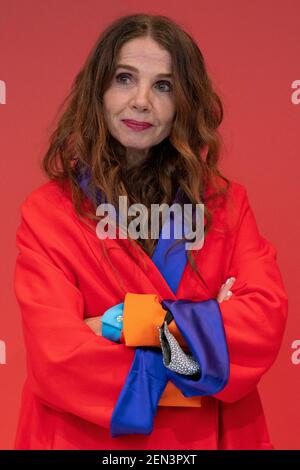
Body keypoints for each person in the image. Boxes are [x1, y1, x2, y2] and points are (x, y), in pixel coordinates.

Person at [13, 13, 288, 450]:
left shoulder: (227, 204)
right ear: (98, 91)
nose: (141, 100)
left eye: (163, 85)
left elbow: (261, 327)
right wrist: (205, 335)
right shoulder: (48, 213)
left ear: (185, 101)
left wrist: (112, 324)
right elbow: (59, 359)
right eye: (124, 78)